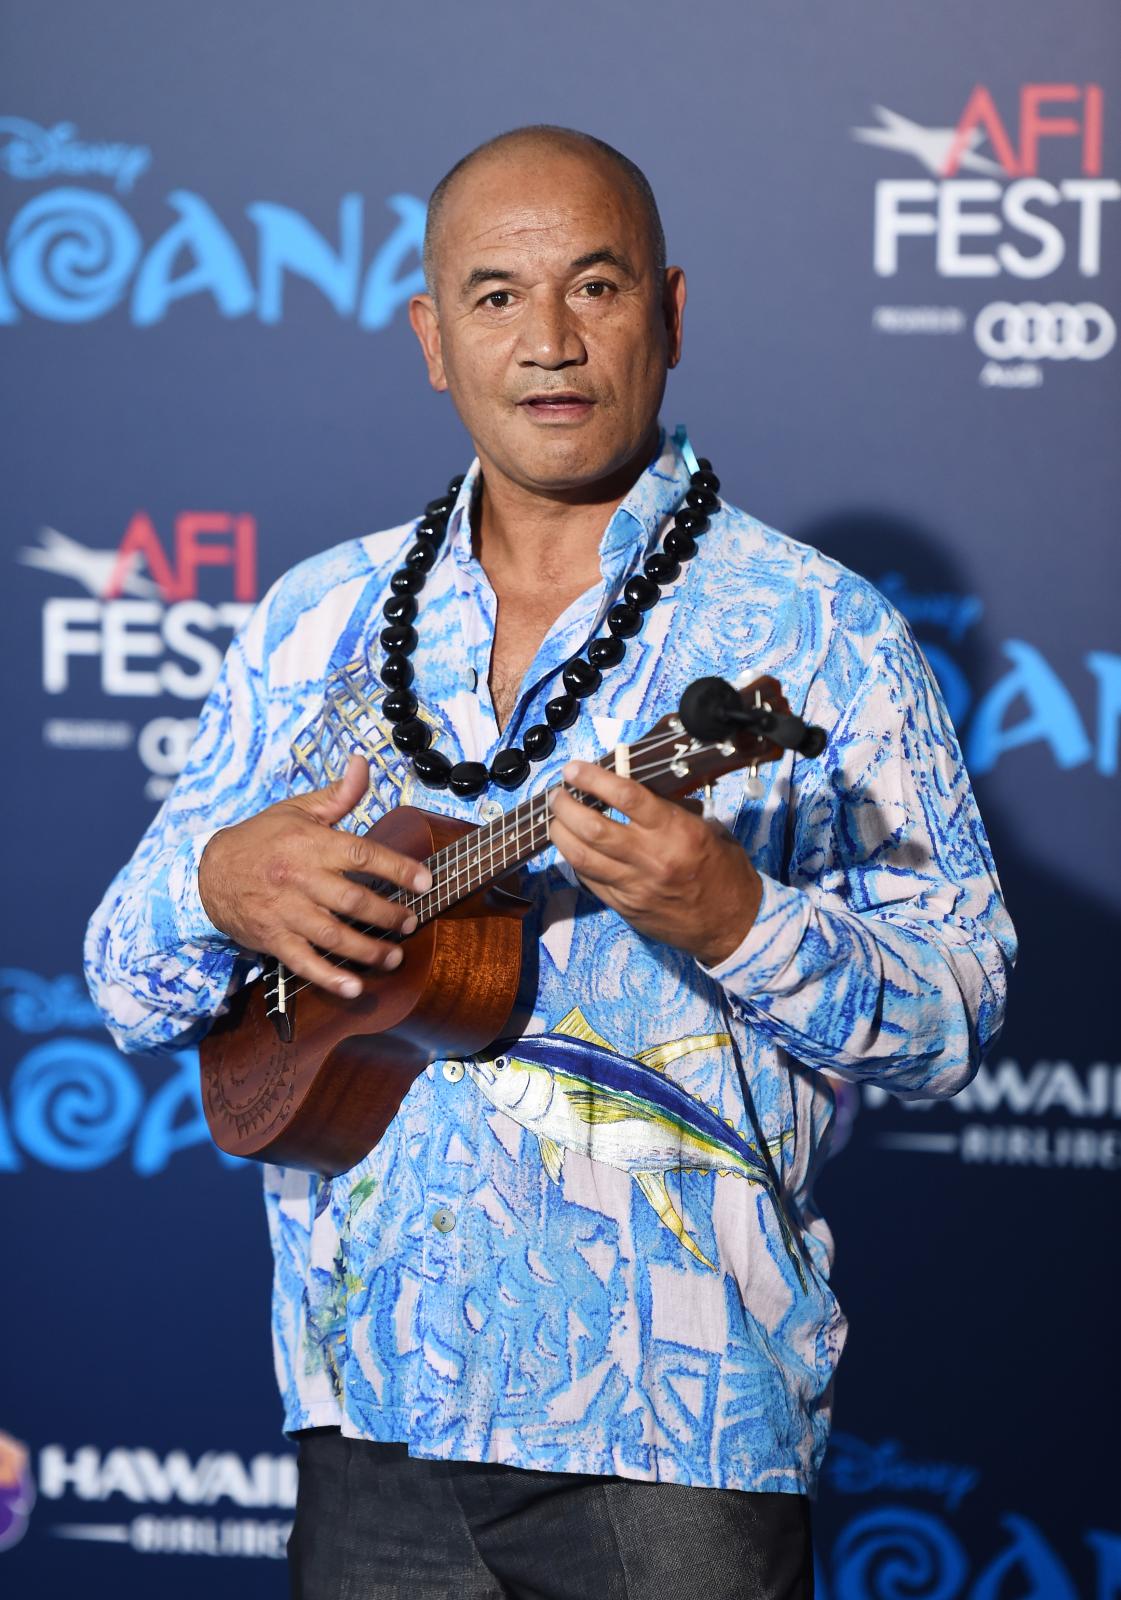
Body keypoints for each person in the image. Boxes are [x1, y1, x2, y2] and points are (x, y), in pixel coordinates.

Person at [85, 126, 1016, 1599]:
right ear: (431, 338)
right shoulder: (315, 619)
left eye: (596, 286)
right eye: (497, 296)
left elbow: (953, 1015)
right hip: (368, 1413)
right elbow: (126, 984)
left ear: (671, 313)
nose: (551, 342)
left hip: (679, 1436)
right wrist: (215, 884)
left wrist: (739, 920)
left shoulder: (821, 631)